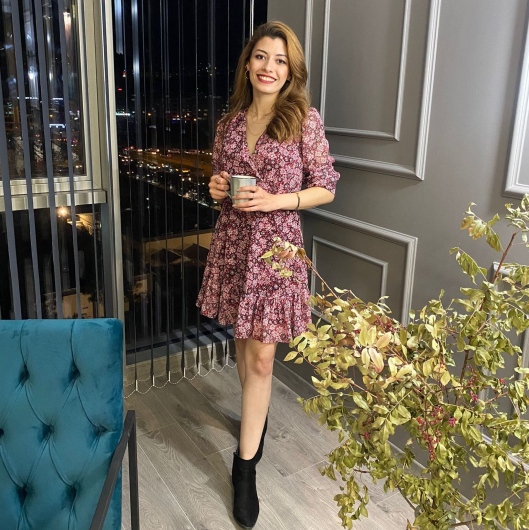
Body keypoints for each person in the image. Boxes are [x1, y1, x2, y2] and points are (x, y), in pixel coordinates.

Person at [196, 20, 340, 529]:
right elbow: (220, 179)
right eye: (261, 56)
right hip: (236, 245)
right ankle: (252, 424)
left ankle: (244, 468)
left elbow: (326, 186)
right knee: (244, 348)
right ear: (248, 64)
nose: (269, 67)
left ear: (291, 71)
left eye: (280, 60)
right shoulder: (230, 123)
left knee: (261, 359)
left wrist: (276, 200)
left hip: (277, 252)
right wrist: (216, 187)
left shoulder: (303, 119)